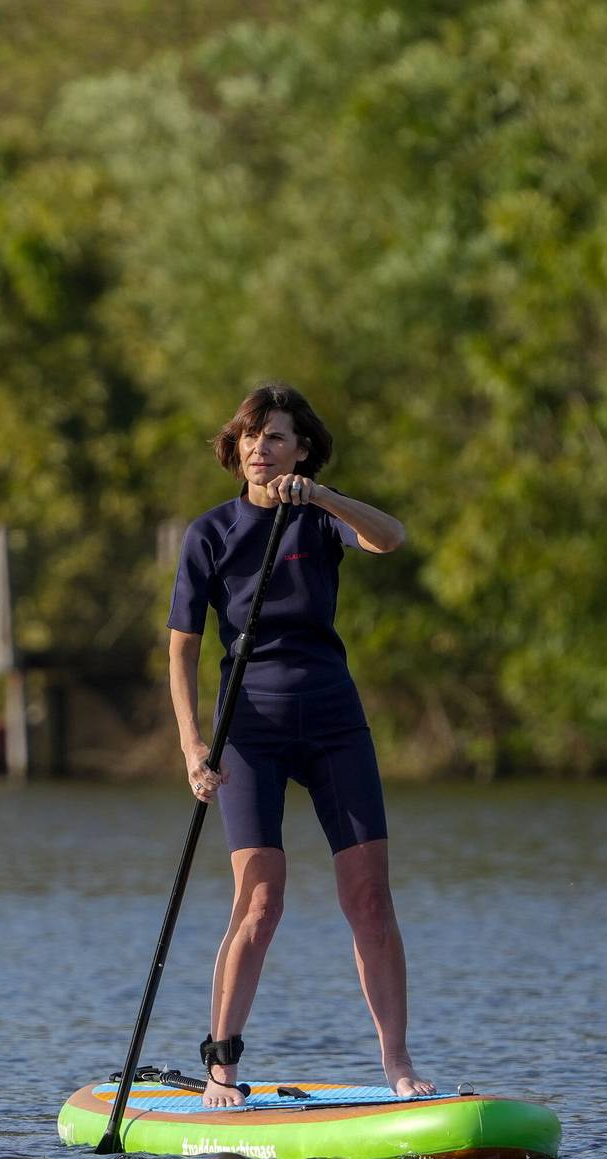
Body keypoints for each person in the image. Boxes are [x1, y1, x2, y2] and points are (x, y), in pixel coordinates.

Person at [164, 382, 433, 1108]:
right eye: (250, 437)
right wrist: (193, 746)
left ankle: (398, 1061)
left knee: (369, 897)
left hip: (334, 722)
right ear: (236, 449)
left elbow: (391, 535)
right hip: (248, 733)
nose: (260, 448)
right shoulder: (209, 535)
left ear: (302, 448)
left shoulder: (320, 520)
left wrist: (323, 497)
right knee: (261, 900)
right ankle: (222, 1064)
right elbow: (182, 650)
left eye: (276, 436)